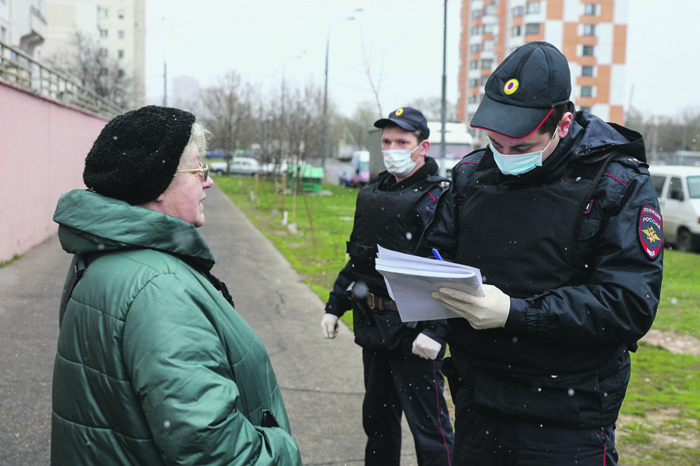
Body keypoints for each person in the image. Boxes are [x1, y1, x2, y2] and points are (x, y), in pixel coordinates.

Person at [417, 41, 663, 465]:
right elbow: (437, 253)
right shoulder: (472, 174)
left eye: (522, 147)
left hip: (569, 417)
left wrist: (516, 312)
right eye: (496, 144)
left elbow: (629, 303)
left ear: (564, 124)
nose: (505, 157)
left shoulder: (616, 183)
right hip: (480, 402)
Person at [51, 106, 302, 465]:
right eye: (198, 169)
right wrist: (281, 449)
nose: (208, 181)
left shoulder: (106, 258)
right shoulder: (159, 289)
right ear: (157, 184)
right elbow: (212, 450)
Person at [322, 107, 453, 466]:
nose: (392, 148)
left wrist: (437, 331)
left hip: (416, 335)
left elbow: (450, 272)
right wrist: (335, 305)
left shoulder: (437, 198)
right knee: (377, 423)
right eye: (387, 141)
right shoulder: (372, 193)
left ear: (422, 146)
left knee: (429, 428)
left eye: (402, 141)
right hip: (373, 327)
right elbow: (359, 259)